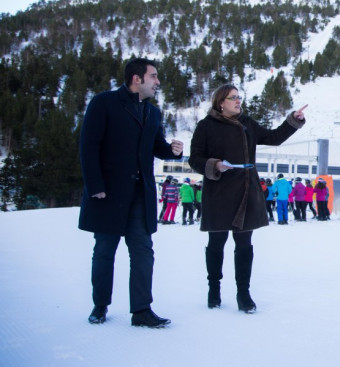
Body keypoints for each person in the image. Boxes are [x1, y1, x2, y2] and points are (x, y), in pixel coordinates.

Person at [79, 57, 183, 328]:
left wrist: (172, 151)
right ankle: (100, 305)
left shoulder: (152, 113)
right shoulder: (104, 103)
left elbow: (155, 147)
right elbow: (88, 146)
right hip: (108, 193)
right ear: (137, 78)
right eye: (154, 76)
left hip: (140, 193)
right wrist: (96, 186)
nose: (158, 82)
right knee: (104, 250)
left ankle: (141, 310)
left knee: (143, 250)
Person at [188, 84, 306, 312]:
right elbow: (194, 159)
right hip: (219, 192)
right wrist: (214, 165)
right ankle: (214, 289)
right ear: (220, 102)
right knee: (216, 243)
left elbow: (273, 137)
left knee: (244, 245)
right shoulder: (205, 126)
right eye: (233, 98)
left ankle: (243, 293)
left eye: (239, 97)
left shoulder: (247, 123)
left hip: (245, 191)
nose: (238, 101)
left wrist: (293, 120)